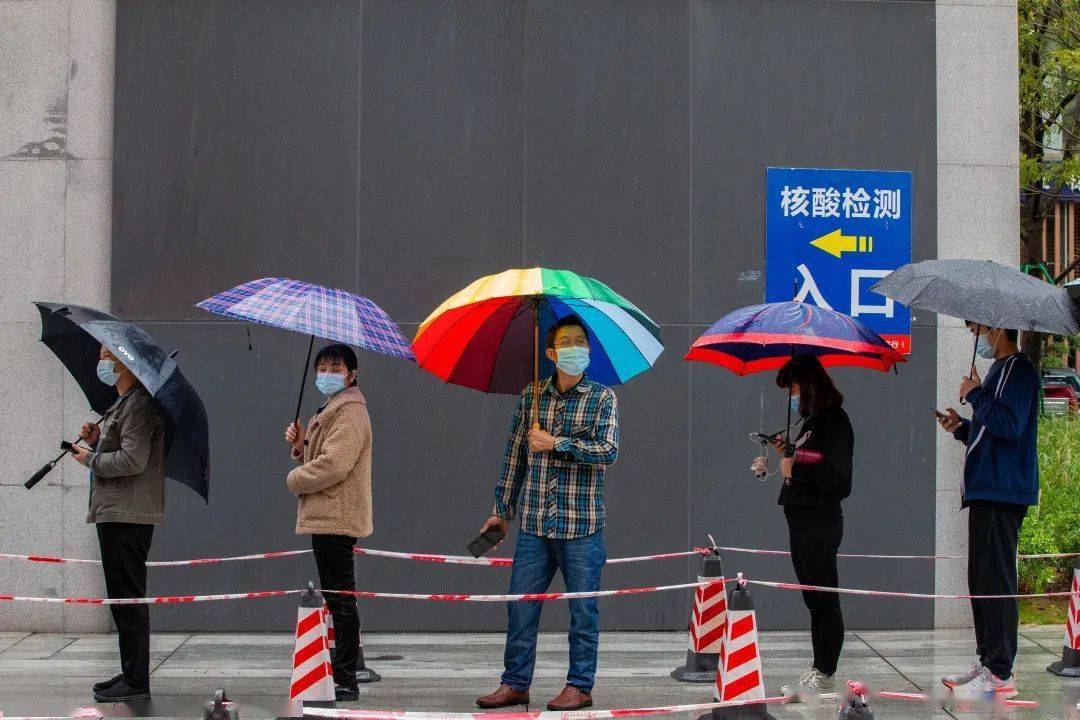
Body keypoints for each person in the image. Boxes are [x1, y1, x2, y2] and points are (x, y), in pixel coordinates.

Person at [475, 315, 619, 712]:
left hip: (582, 526)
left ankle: (580, 686)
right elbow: (514, 456)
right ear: (552, 352)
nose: (575, 349)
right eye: (566, 343)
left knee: (583, 610)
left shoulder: (602, 398)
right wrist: (501, 511)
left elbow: (608, 450)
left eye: (581, 343)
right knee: (520, 605)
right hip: (535, 524)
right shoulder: (532, 396)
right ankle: (515, 682)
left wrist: (558, 443)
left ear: (588, 351)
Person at [936, 323, 1038, 700]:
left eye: (976, 328)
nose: (974, 335)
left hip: (1003, 489)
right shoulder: (998, 371)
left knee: (996, 581)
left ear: (997, 330)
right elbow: (989, 430)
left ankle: (1001, 673)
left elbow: (1011, 426)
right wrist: (961, 427)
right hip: (984, 488)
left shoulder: (1019, 370)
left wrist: (975, 394)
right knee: (981, 580)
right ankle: (988, 658)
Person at [752, 354, 852, 701]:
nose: (790, 397)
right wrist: (789, 450)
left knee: (825, 598)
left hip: (820, 521)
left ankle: (826, 672)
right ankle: (818, 666)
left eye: (793, 388)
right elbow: (811, 456)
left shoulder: (834, 421)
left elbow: (837, 474)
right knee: (813, 599)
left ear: (809, 386)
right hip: (801, 520)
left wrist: (796, 468)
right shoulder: (812, 421)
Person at [70, 345, 166, 702]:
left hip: (128, 514)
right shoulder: (123, 403)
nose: (101, 362)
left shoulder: (138, 405)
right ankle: (130, 671)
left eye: (107, 355)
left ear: (125, 363)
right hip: (114, 510)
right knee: (120, 597)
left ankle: (137, 680)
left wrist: (92, 458)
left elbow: (133, 459)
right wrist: (98, 440)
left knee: (128, 597)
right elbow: (121, 447)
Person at [284, 343, 373, 702]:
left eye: (335, 368)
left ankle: (346, 678)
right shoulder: (335, 408)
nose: (326, 374)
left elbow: (335, 465)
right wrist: (303, 443)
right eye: (322, 367)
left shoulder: (351, 413)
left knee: (341, 599)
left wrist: (295, 478)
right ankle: (344, 672)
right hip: (328, 515)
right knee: (339, 597)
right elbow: (323, 456)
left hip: (337, 516)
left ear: (351, 374)